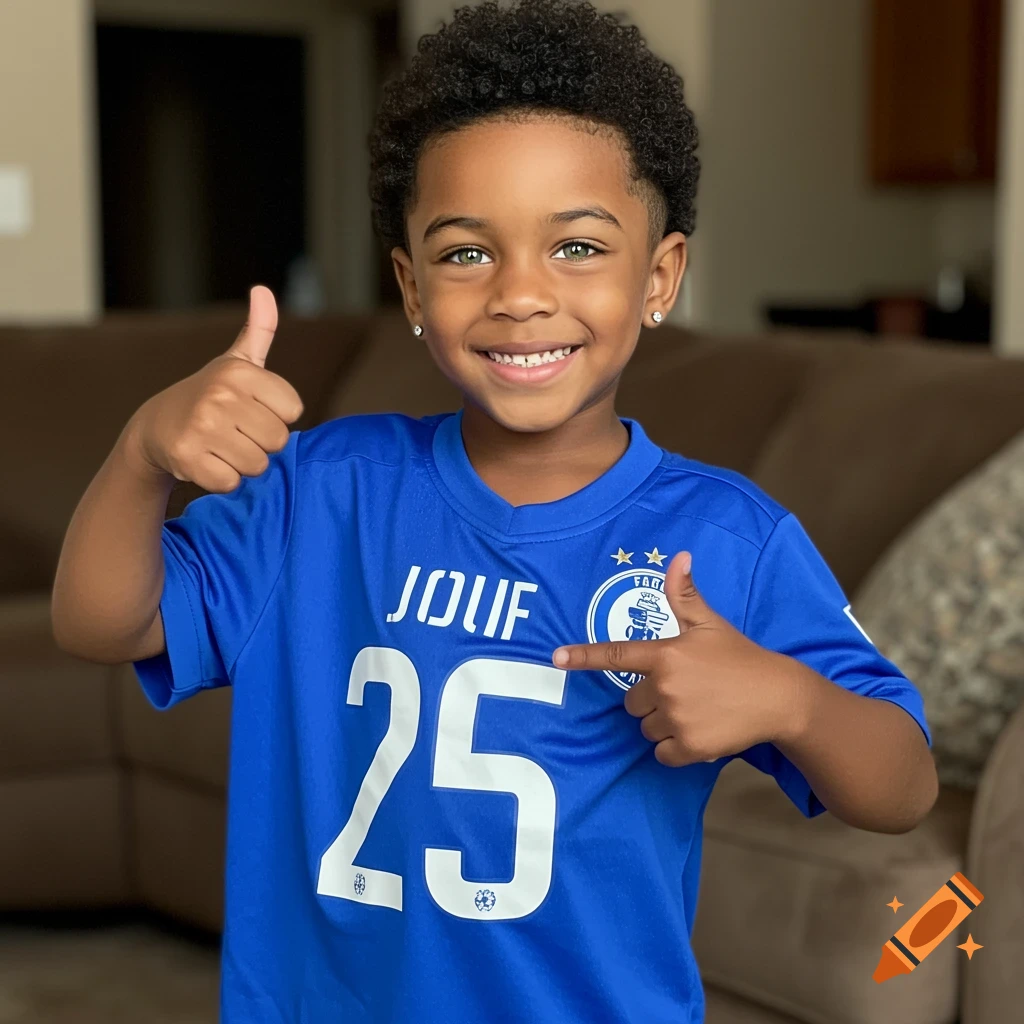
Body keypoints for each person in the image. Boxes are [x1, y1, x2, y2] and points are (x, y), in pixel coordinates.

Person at [51, 1, 939, 1020]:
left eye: (577, 247)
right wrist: (139, 456)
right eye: (467, 252)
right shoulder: (318, 491)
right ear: (412, 286)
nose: (520, 292)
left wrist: (790, 699)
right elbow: (100, 621)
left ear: (660, 276)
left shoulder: (727, 537)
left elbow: (902, 784)